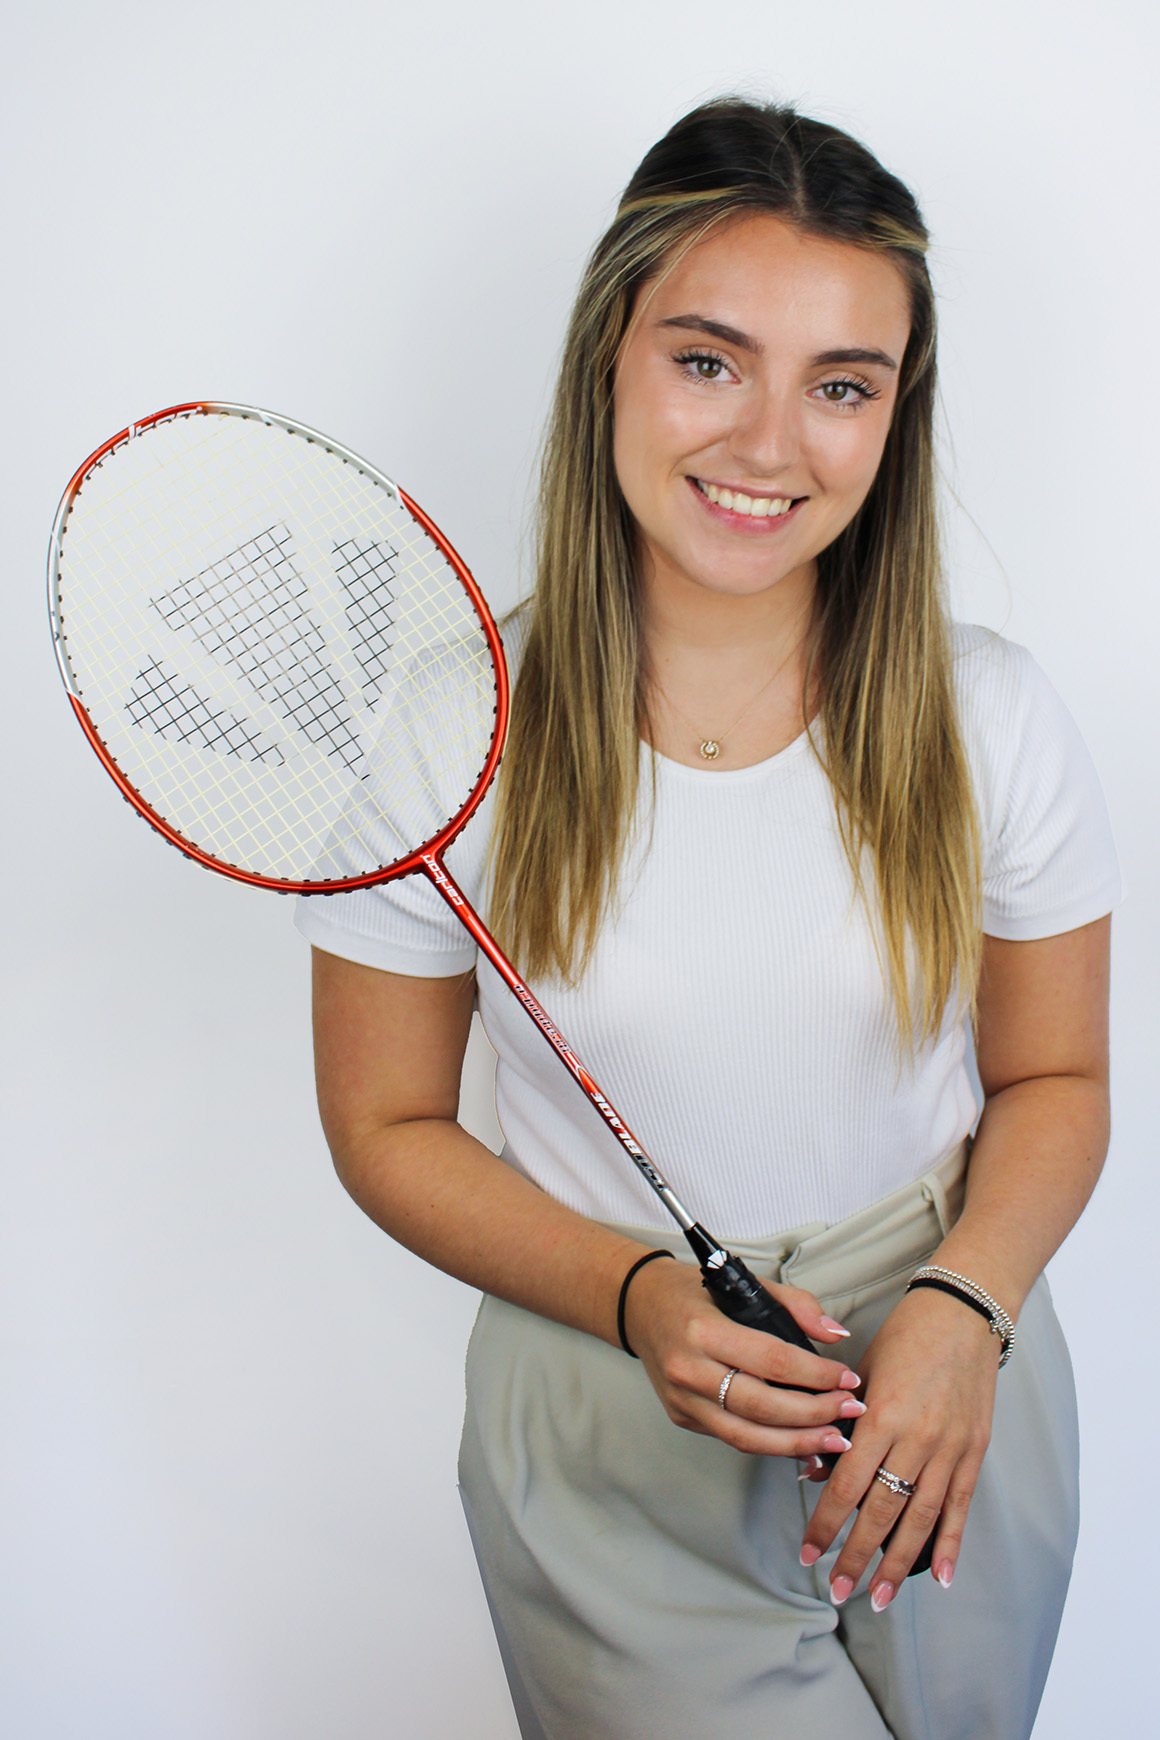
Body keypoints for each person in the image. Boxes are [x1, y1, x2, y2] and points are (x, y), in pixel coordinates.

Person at [295, 99, 1120, 1739]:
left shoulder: (993, 717)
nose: (768, 445)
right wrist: (634, 1296)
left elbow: (1056, 1084)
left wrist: (963, 1312)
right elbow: (385, 1121)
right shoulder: (453, 731)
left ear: (896, 420)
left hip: (948, 1384)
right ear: (609, 356)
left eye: (841, 387)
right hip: (610, 1408)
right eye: (707, 360)